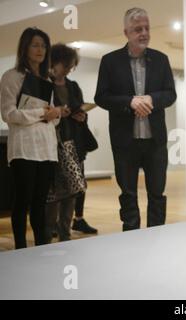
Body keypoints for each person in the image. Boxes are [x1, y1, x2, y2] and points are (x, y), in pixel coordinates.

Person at [95, 8, 176, 231]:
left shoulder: (161, 60)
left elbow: (170, 94)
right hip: (125, 142)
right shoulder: (110, 61)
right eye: (137, 29)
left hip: (155, 142)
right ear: (126, 32)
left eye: (147, 28)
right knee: (128, 195)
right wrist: (129, 102)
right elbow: (101, 97)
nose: (144, 33)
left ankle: (156, 237)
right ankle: (130, 239)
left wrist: (152, 98)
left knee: (157, 194)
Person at [0, 27, 65, 249]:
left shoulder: (48, 78)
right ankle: (20, 248)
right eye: (35, 45)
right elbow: (9, 114)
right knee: (22, 202)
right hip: (24, 149)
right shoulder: (11, 76)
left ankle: (40, 248)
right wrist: (41, 114)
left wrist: (55, 115)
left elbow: (53, 117)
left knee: (40, 203)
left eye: (44, 45)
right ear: (25, 47)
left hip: (46, 148)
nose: (41, 50)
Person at [44, 43, 98, 243]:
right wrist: (59, 112)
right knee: (52, 193)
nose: (67, 69)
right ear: (54, 62)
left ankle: (65, 234)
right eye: (65, 64)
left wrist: (81, 116)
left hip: (73, 144)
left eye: (70, 66)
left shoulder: (73, 86)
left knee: (73, 190)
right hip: (51, 146)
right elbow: (41, 113)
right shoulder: (44, 85)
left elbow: (79, 110)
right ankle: (48, 235)